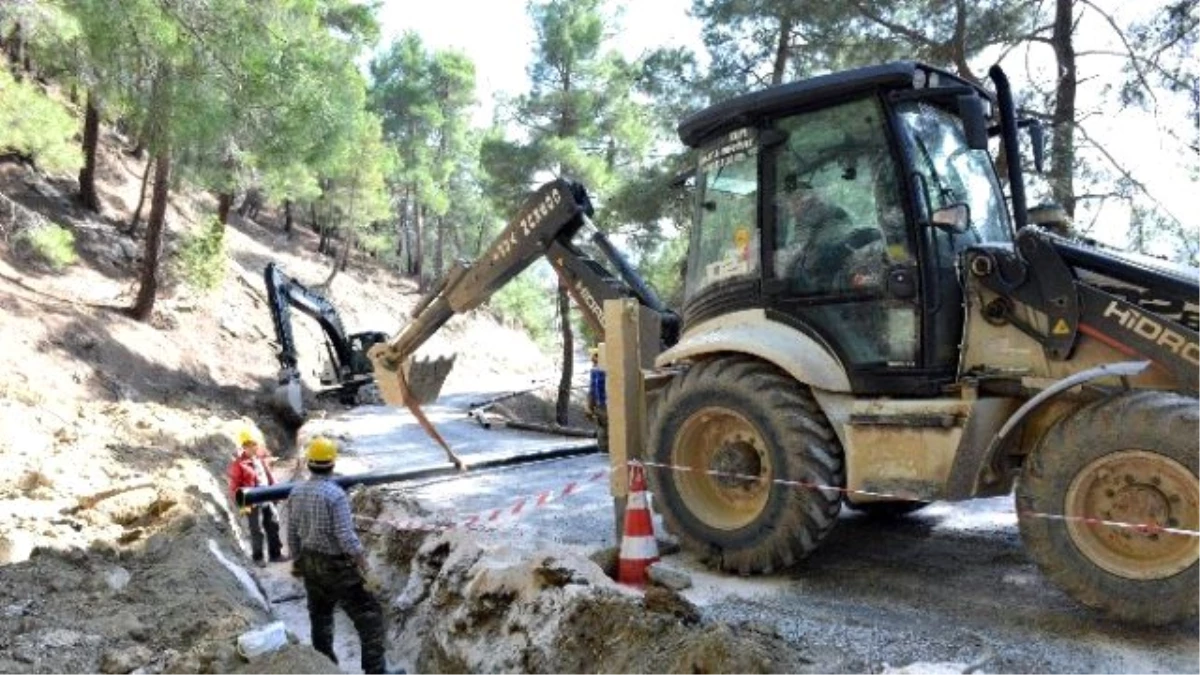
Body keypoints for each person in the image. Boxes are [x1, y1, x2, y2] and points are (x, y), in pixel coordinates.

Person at [287, 437, 403, 675]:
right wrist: (365, 568)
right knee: (369, 615)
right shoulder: (335, 495)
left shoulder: (296, 492)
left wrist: (297, 561)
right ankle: (376, 671)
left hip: (310, 561)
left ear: (309, 463)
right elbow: (346, 537)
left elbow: (292, 531)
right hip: (335, 566)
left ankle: (324, 667)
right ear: (332, 463)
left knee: (320, 617)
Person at [227, 426, 286, 567]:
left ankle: (275, 554)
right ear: (244, 446)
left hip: (267, 498)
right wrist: (242, 504)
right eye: (251, 445)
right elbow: (234, 488)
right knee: (257, 530)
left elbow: (269, 477)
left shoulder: (260, 460)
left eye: (255, 444)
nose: (254, 447)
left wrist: (276, 492)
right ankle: (258, 557)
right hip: (252, 502)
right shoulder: (239, 465)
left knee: (273, 525)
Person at [586, 347, 608, 453]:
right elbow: (592, 390)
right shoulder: (594, 371)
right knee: (602, 437)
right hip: (600, 409)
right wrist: (589, 406)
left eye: (595, 356)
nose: (592, 359)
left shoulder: (607, 370)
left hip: (608, 408)